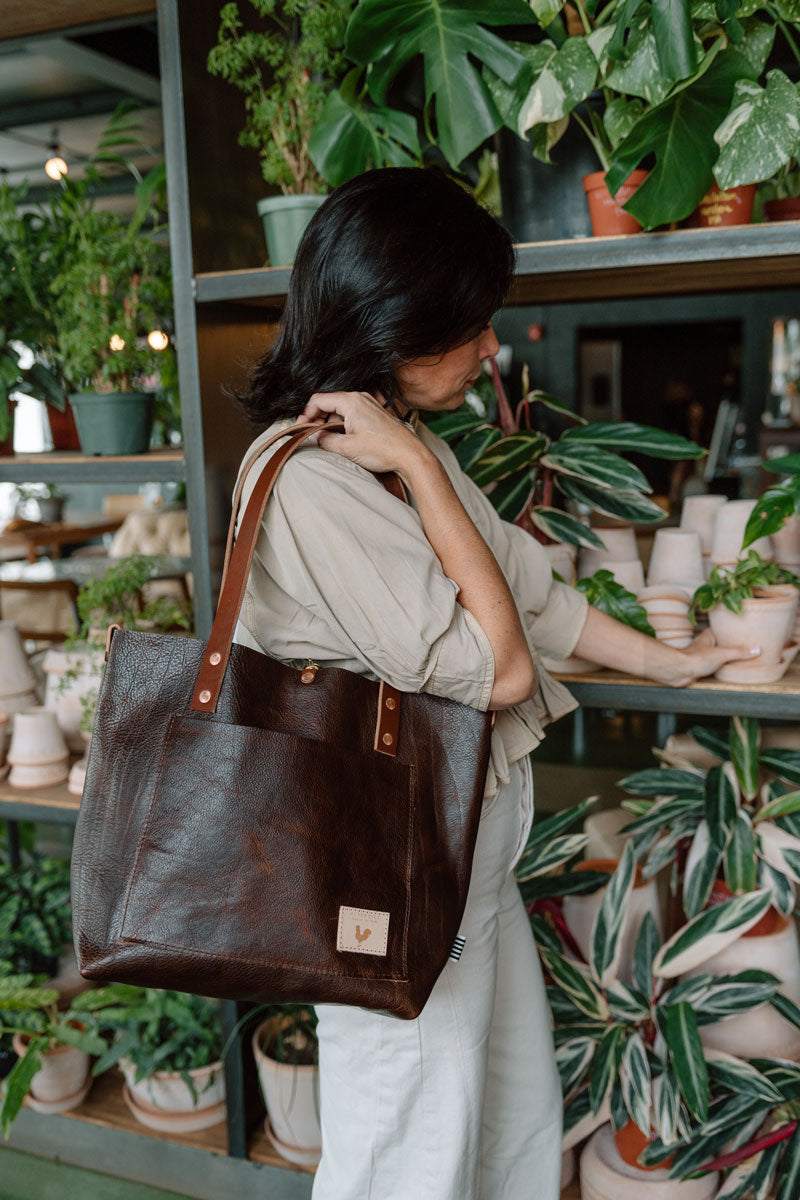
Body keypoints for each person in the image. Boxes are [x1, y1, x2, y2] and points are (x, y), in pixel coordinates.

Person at [232, 168, 759, 1200]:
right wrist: (426, 477)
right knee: (408, 1159)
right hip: (387, 875)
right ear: (392, 324)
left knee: (511, 1122)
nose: (490, 349)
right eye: (470, 326)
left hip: (461, 863)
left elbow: (529, 594)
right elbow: (502, 664)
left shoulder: (391, 446)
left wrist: (673, 658)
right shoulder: (307, 479)